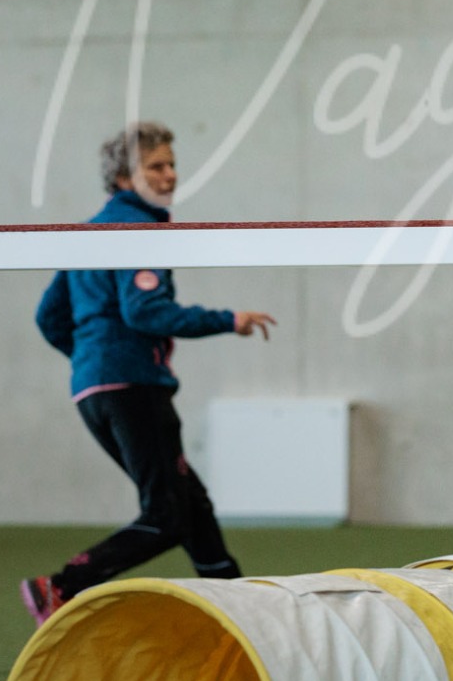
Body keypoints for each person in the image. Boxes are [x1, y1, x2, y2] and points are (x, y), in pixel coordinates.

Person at [19, 122, 277, 624]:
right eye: (155, 167)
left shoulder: (89, 232)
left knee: (190, 504)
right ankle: (61, 586)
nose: (169, 175)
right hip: (133, 388)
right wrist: (229, 320)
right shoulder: (138, 229)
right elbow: (145, 311)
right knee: (165, 515)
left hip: (94, 391)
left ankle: (241, 606)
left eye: (171, 165)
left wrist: (91, 359)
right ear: (122, 178)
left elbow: (49, 317)